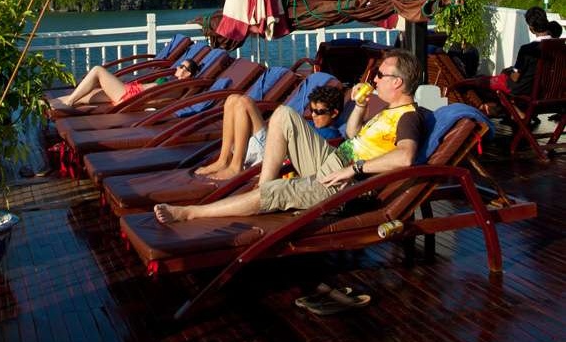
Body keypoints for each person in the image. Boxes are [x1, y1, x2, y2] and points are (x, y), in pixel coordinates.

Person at [154, 49, 424, 223]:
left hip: (346, 186)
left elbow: (405, 157)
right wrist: (361, 107)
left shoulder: (408, 117)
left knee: (276, 192)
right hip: (333, 160)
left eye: (380, 75)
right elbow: (354, 135)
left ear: (397, 82)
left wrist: (354, 169)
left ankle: (190, 213)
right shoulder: (387, 111)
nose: (374, 80)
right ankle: (264, 186)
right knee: (283, 114)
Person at [194, 85, 344, 180]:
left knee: (244, 102)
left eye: (319, 112)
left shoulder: (331, 136)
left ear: (334, 113)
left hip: (274, 156)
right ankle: (223, 160)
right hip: (271, 145)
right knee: (232, 99)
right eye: (311, 110)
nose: (313, 115)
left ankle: (236, 166)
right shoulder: (311, 123)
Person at [57, 59, 199, 107]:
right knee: (84, 97)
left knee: (97, 70)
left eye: (182, 66)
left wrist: (139, 105)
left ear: (187, 73)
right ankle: (49, 107)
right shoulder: (174, 82)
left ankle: (69, 102)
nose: (178, 67)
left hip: (130, 96)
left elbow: (161, 101)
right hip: (129, 91)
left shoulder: (179, 87)